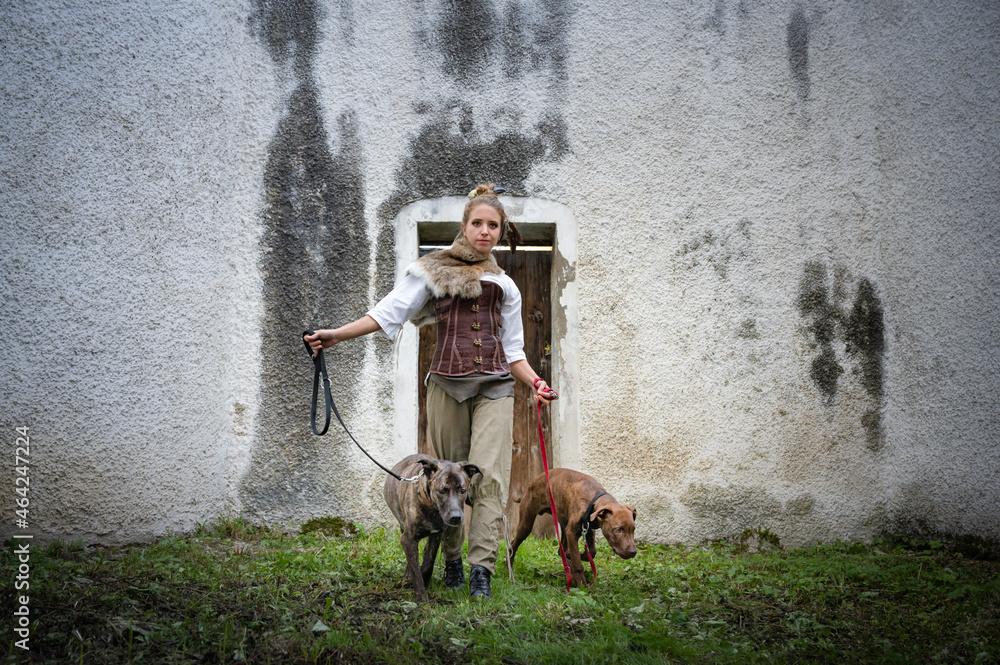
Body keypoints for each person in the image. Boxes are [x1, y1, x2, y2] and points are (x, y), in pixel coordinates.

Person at [304, 184, 555, 598]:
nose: (485, 231)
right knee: (450, 476)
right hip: (446, 386)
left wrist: (536, 382)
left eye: (493, 225)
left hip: (495, 386)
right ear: (464, 226)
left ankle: (481, 569)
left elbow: (513, 351)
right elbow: (389, 312)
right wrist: (337, 335)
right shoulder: (433, 270)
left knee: (488, 477)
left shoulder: (506, 285)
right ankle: (452, 559)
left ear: (501, 230)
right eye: (478, 223)